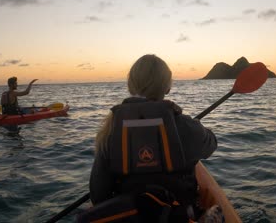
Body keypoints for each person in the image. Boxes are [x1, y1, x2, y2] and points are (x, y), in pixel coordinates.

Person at [89, 54, 218, 222]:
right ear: (167, 88)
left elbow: (98, 194)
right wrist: (196, 125)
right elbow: (211, 144)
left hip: (131, 218)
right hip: (178, 215)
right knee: (215, 211)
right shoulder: (186, 126)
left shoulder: (111, 129)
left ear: (130, 86)